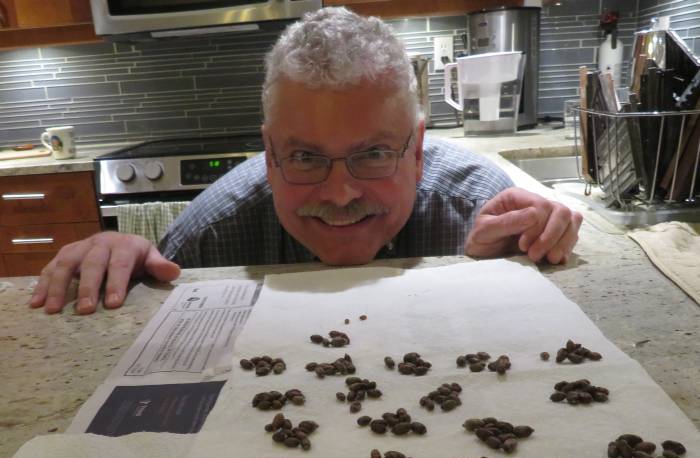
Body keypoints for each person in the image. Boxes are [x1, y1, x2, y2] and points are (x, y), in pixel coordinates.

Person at [30, 7, 582, 316]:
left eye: (372, 154)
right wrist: (119, 262)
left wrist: (522, 268)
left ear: (416, 150)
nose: (340, 194)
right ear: (268, 154)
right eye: (305, 157)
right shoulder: (210, 235)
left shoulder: (481, 213)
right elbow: (143, 306)